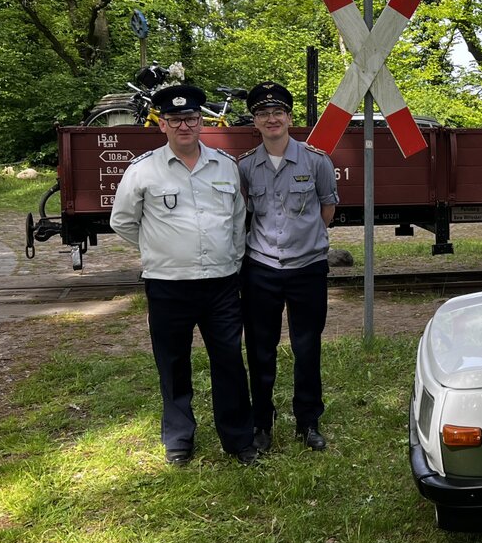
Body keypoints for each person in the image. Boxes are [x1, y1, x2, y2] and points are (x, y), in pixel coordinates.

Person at [109, 84, 258, 466]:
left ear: (200, 122)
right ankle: (178, 438)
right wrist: (158, 250)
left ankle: (239, 440)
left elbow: (238, 218)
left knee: (229, 362)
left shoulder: (224, 165)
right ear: (162, 124)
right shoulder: (143, 170)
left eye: (190, 118)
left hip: (221, 284)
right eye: (175, 120)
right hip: (168, 285)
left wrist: (233, 259)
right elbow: (122, 221)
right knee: (173, 364)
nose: (184, 126)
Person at [236, 81, 338, 452]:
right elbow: (244, 213)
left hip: (307, 267)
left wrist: (304, 240)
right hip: (261, 268)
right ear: (255, 122)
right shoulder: (245, 166)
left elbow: (327, 208)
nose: (271, 119)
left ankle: (308, 422)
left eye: (278, 112)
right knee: (260, 349)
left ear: (289, 118)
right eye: (263, 114)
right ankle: (262, 422)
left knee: (307, 347)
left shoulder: (316, 160)